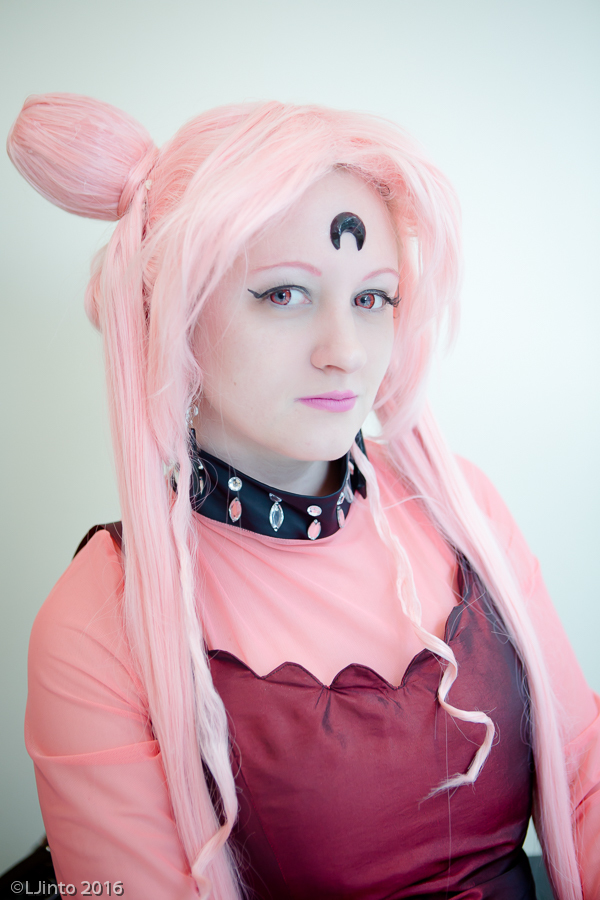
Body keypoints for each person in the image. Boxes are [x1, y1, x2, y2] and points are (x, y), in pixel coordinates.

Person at [7, 94, 600, 900]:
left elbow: (584, 773)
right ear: (172, 314)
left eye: (372, 298)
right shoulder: (97, 622)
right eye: (284, 294)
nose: (345, 352)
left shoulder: (463, 510)